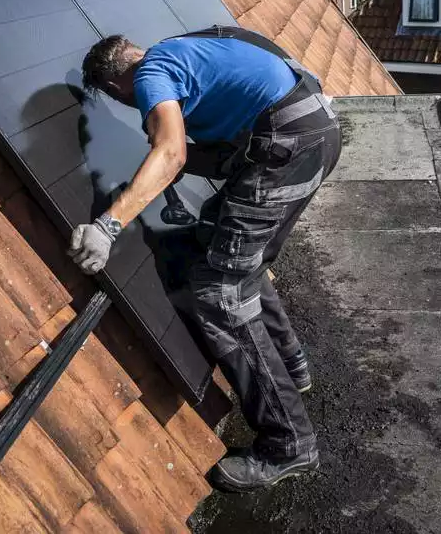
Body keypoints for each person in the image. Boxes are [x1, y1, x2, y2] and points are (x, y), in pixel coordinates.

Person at [69, 25, 341, 492]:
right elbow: (210, 151)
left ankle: (288, 443)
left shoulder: (150, 74)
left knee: (219, 291)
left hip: (286, 147)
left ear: (117, 87)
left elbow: (172, 151)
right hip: (310, 134)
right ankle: (292, 366)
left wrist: (109, 224)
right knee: (234, 252)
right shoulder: (184, 50)